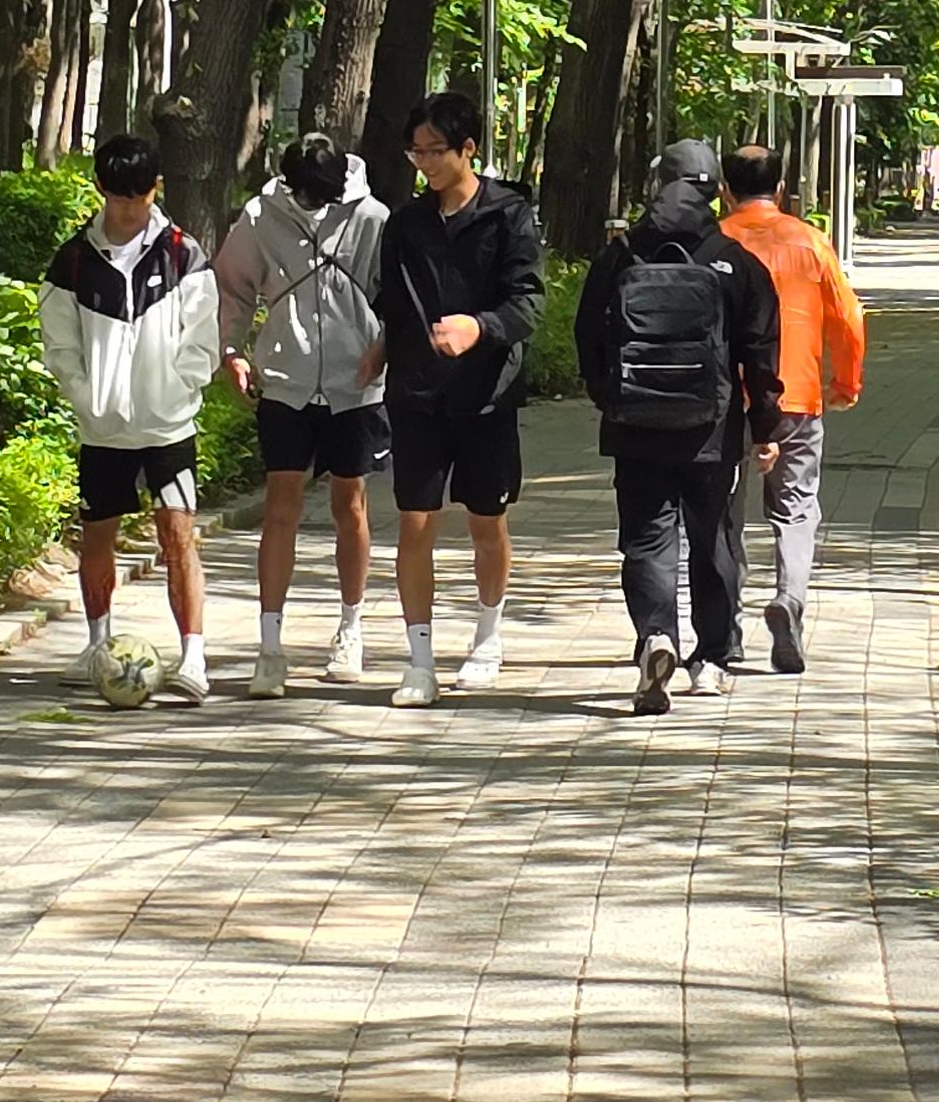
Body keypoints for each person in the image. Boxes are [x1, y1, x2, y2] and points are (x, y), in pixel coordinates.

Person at [576, 138, 782, 715]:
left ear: (656, 184)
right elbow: (760, 350)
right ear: (717, 190)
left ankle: (655, 636)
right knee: (712, 539)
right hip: (711, 430)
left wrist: (610, 399)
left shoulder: (620, 257)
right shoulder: (733, 261)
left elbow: (587, 334)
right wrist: (764, 425)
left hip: (635, 426)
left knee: (647, 539)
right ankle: (711, 658)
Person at [370, 89, 544, 709]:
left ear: (468, 149)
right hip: (416, 394)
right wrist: (380, 350)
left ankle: (488, 637)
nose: (424, 163)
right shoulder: (406, 223)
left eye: (435, 151)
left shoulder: (508, 214)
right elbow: (390, 300)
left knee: (486, 521)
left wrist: (480, 327)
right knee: (414, 522)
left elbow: (529, 302)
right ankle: (419, 662)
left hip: (485, 396)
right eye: (415, 152)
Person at [41, 126, 222, 702]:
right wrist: (87, 397)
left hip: (169, 426)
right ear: (100, 188)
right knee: (98, 535)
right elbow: (60, 344)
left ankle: (193, 655)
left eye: (140, 195)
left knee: (179, 535)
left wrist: (176, 391)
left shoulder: (184, 254)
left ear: (156, 187)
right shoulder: (73, 260)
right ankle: (98, 644)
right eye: (119, 196)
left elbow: (203, 339)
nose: (129, 208)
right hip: (103, 429)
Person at [215, 131, 388, 695]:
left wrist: (383, 346)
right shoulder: (260, 217)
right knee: (280, 506)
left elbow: (396, 291)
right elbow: (233, 287)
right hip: (285, 380)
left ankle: (351, 628)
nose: (315, 204)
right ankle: (269, 646)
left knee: (350, 505)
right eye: (306, 195)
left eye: (325, 195)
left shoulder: (372, 217)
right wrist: (231, 350)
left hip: (355, 384)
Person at [718, 144, 866, 675]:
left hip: (726, 398)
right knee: (797, 508)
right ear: (781, 190)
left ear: (724, 192)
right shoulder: (811, 242)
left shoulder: (715, 243)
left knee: (723, 513)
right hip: (797, 396)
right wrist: (845, 382)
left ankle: (725, 629)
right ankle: (789, 600)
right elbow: (848, 319)